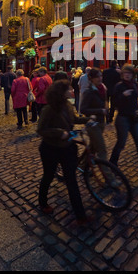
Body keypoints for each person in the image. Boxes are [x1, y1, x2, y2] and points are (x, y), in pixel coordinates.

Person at [37, 80, 92, 225]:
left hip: (67, 147)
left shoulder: (68, 104)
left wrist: (89, 119)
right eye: (69, 89)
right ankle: (43, 202)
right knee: (48, 176)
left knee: (71, 181)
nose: (72, 91)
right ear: (61, 92)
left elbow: (74, 119)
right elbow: (41, 130)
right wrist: (59, 132)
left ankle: (81, 216)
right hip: (50, 149)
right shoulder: (48, 109)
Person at [80, 68, 118, 182]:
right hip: (92, 124)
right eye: (97, 76)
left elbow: (105, 101)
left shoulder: (102, 88)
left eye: (101, 76)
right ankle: (110, 179)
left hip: (101, 122)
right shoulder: (88, 91)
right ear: (91, 79)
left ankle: (82, 165)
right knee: (102, 150)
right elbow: (83, 109)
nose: (100, 78)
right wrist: (100, 111)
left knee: (92, 147)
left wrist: (106, 105)